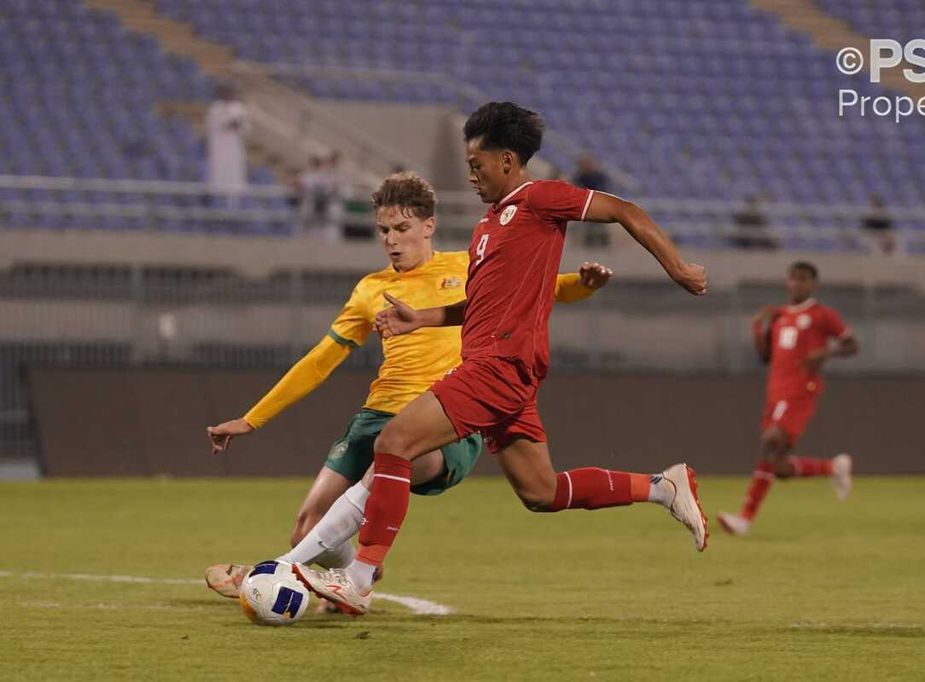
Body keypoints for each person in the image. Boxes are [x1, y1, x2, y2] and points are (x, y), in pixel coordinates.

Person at [291, 101, 710, 617]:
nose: (470, 174)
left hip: (500, 366)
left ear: (508, 160)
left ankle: (357, 578)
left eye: (477, 164)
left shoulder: (540, 200)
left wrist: (679, 267)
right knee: (541, 491)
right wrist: (421, 319)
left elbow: (625, 211)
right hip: (498, 366)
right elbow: (481, 307)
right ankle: (663, 487)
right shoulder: (489, 226)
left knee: (394, 442)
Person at [203, 171, 612, 600]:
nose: (391, 240)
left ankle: (278, 575)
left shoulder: (466, 265)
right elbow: (320, 360)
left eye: (402, 228)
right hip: (376, 415)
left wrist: (582, 285)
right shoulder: (370, 290)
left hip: (447, 416)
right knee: (306, 527)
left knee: (392, 456)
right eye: (383, 230)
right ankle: (353, 579)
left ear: (428, 226)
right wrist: (252, 420)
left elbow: (543, 291)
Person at [717, 262, 858, 536]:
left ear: (813, 284)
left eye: (803, 280)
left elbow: (852, 345)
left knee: (770, 441)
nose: (796, 284)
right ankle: (833, 467)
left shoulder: (822, 315)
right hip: (776, 391)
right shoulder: (779, 315)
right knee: (779, 466)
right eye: (793, 279)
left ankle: (744, 519)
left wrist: (826, 352)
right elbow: (765, 357)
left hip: (801, 388)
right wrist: (758, 329)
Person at [205, 85, 250, 206]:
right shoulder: (215, 108)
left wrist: (236, 124)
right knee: (218, 175)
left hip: (234, 149)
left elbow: (245, 128)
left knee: (235, 176)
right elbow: (215, 126)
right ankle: (217, 202)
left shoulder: (239, 108)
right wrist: (230, 123)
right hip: (219, 147)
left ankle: (234, 205)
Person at [573, 155, 611, 248]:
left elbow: (603, 189)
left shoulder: (599, 176)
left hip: (598, 202)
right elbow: (576, 187)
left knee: (600, 225)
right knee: (589, 225)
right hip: (586, 204)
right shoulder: (580, 176)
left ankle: (603, 243)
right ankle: (590, 242)